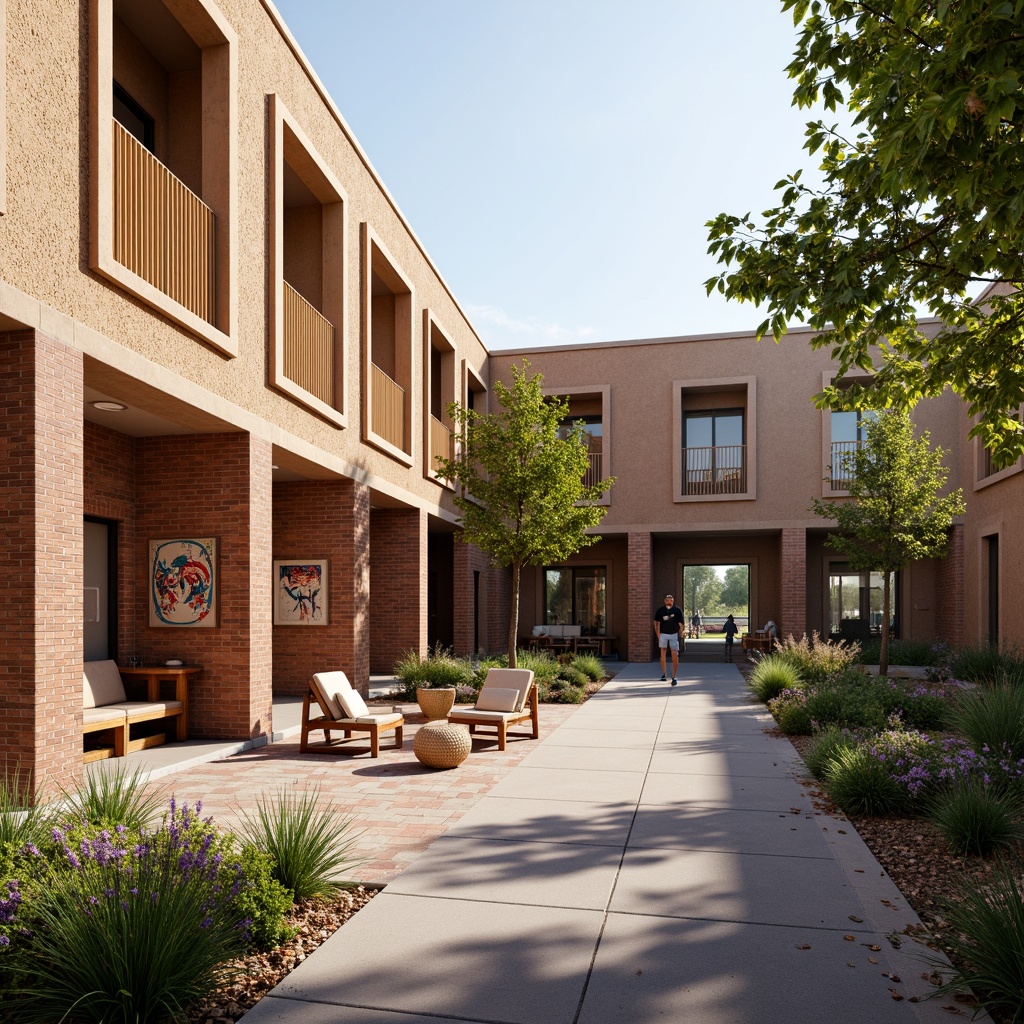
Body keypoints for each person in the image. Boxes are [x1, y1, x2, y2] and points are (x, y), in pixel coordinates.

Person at [654, 594, 686, 685]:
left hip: (673, 634)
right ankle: (664, 674)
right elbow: (656, 623)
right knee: (662, 654)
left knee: (674, 654)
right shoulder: (660, 610)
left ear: (673, 601)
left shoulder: (677, 610)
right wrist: (658, 634)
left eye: (671, 599)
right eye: (668, 599)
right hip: (663, 634)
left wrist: (681, 633)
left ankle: (674, 676)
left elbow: (681, 623)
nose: (669, 600)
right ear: (664, 601)